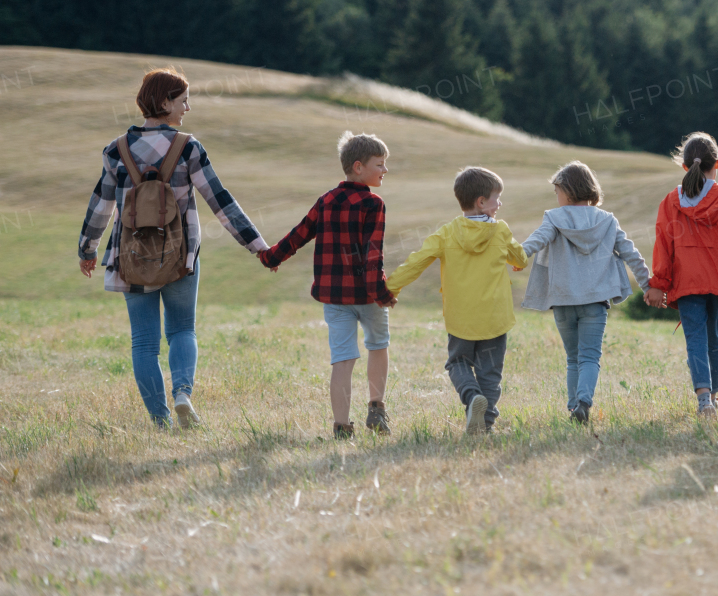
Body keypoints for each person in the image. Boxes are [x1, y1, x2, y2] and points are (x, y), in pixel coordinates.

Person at [78, 67, 269, 428]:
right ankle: (183, 393)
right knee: (182, 330)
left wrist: (87, 249)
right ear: (164, 102)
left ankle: (160, 422)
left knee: (143, 343)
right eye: (183, 101)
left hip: (130, 257)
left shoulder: (116, 150)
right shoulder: (188, 147)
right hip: (181, 256)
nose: (187, 108)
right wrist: (257, 246)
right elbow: (221, 202)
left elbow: (101, 205)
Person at [257, 132, 398, 438]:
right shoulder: (374, 204)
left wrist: (272, 257)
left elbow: (299, 233)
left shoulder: (327, 200)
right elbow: (373, 254)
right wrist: (382, 293)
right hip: (368, 296)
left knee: (343, 359)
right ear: (358, 167)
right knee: (378, 345)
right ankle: (376, 407)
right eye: (380, 164)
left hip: (334, 297)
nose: (385, 170)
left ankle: (342, 427)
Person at [385, 167, 528, 435]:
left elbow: (416, 261)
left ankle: (472, 397)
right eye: (497, 198)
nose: (500, 204)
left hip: (461, 319)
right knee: (490, 372)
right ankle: (484, 425)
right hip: (494, 318)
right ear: (481, 202)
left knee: (458, 363)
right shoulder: (500, 231)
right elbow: (520, 258)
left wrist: (390, 289)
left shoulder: (447, 233)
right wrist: (515, 262)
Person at [520, 160, 651, 426]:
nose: (555, 197)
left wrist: (518, 254)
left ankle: (573, 409)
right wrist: (648, 286)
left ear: (568, 191)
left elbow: (537, 239)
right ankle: (583, 402)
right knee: (590, 356)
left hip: (563, 300)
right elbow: (632, 255)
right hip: (595, 302)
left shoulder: (554, 219)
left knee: (573, 358)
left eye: (556, 191)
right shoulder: (607, 221)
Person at [648, 132, 718, 416]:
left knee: (695, 339)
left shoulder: (671, 202)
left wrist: (659, 284)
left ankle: (704, 398)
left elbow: (663, 247)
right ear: (717, 163)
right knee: (714, 339)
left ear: (684, 166)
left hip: (687, 283)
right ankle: (714, 395)